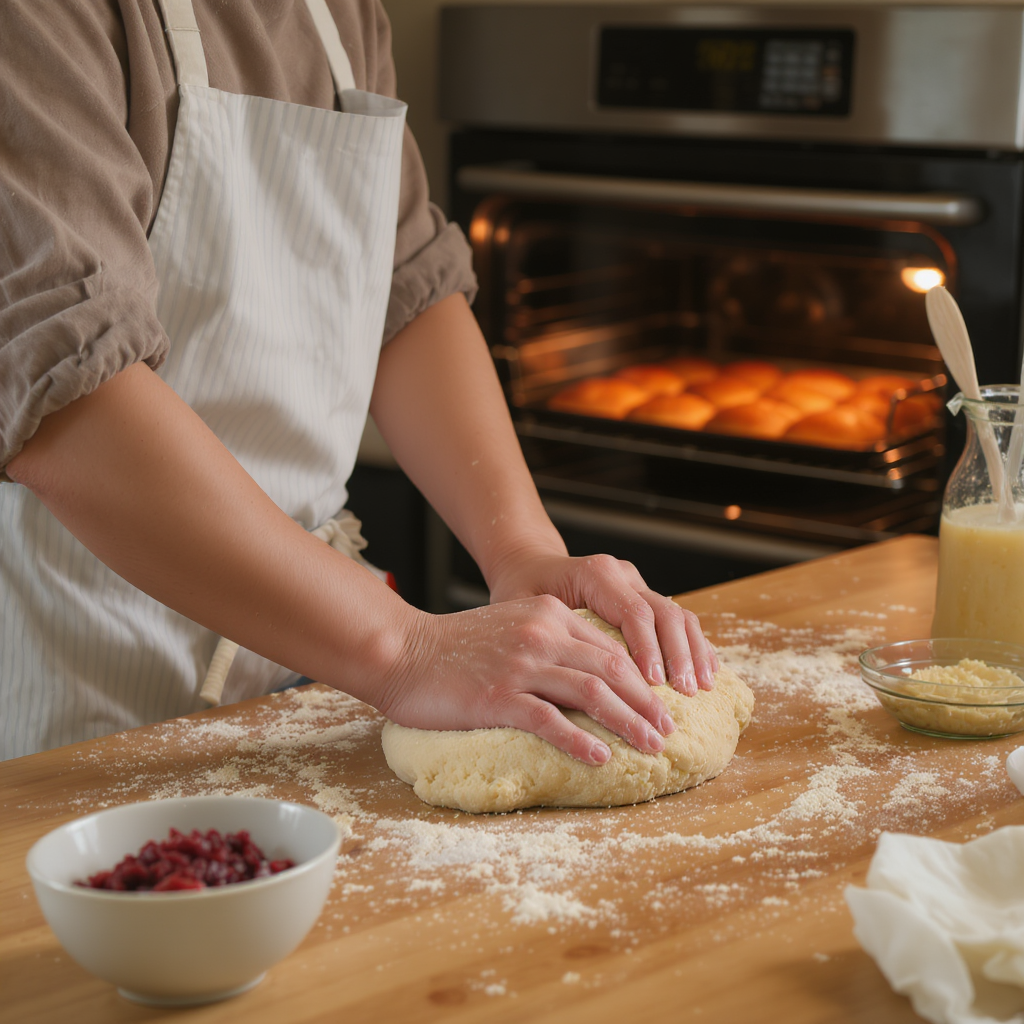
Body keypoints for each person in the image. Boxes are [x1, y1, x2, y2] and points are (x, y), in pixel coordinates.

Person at [0, 0, 718, 763]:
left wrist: (523, 553)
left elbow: (404, 288)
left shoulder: (337, 12)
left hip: (315, 665)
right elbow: (61, 388)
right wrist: (405, 650)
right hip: (82, 680)